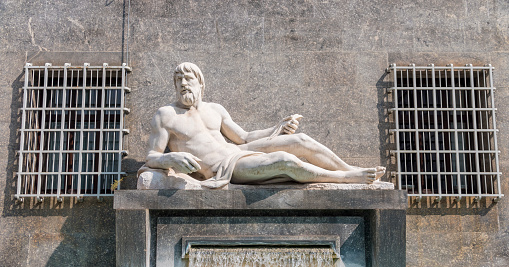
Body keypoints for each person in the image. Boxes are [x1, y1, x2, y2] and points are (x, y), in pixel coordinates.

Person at [142, 62, 385, 189]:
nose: (183, 84)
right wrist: (169, 159)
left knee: (300, 140)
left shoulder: (215, 109)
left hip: (239, 152)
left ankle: (349, 168)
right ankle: (344, 178)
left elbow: (245, 137)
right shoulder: (166, 115)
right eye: (178, 80)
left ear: (200, 84)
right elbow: (152, 155)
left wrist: (277, 128)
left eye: (188, 79)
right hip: (222, 168)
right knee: (284, 160)